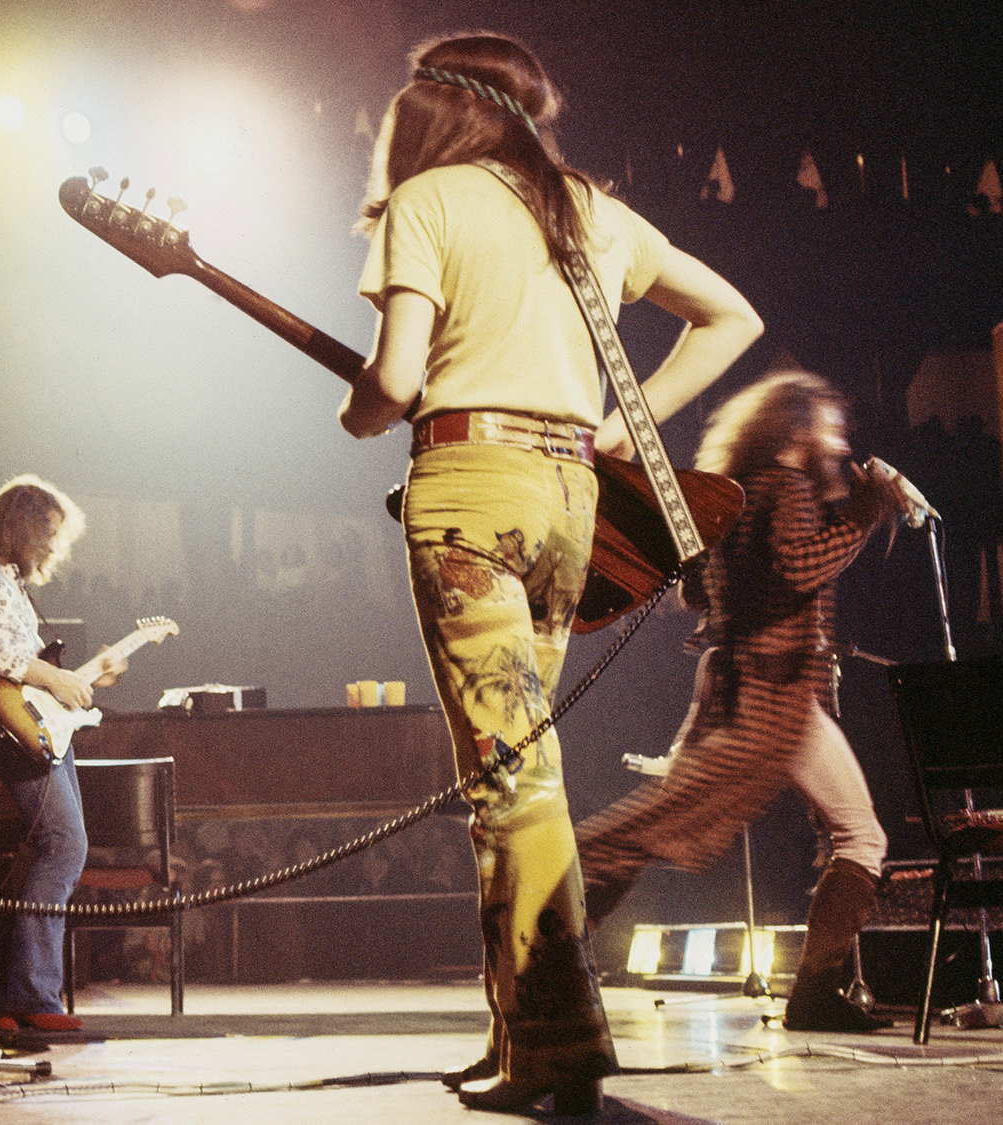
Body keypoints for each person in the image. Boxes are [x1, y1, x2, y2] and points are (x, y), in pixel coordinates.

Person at [338, 33, 764, 1113]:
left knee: (509, 777)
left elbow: (391, 379)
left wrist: (358, 412)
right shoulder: (588, 211)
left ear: (429, 115)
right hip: (567, 500)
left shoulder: (427, 201)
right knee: (513, 776)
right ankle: (516, 1032)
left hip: (469, 488)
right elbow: (733, 317)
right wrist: (625, 425)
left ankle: (564, 1038)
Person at [574, 371, 899, 1033]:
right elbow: (795, 569)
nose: (841, 442)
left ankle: (815, 993)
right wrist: (866, 515)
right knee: (659, 822)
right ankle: (548, 919)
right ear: (797, 427)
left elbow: (702, 592)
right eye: (832, 427)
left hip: (762, 687)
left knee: (856, 832)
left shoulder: (735, 494)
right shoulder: (786, 487)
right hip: (769, 694)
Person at [0, 475, 125, 1033]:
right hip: (4, 725)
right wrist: (53, 675)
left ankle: (13, 993)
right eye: (46, 532)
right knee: (63, 843)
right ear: (17, 524)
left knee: (55, 847)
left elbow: (30, 666)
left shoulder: (9, 582)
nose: (53, 546)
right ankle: (30, 996)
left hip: (35, 723)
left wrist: (87, 679)